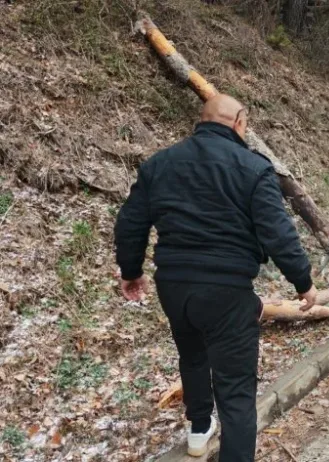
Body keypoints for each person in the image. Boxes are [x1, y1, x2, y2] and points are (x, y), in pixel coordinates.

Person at [113, 94, 317, 460]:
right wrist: (303, 282)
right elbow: (278, 233)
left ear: (202, 120)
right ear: (239, 122)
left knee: (192, 356)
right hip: (226, 291)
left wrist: (131, 271)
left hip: (173, 287)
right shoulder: (254, 168)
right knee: (236, 392)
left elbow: (130, 222)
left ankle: (198, 428)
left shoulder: (159, 164)